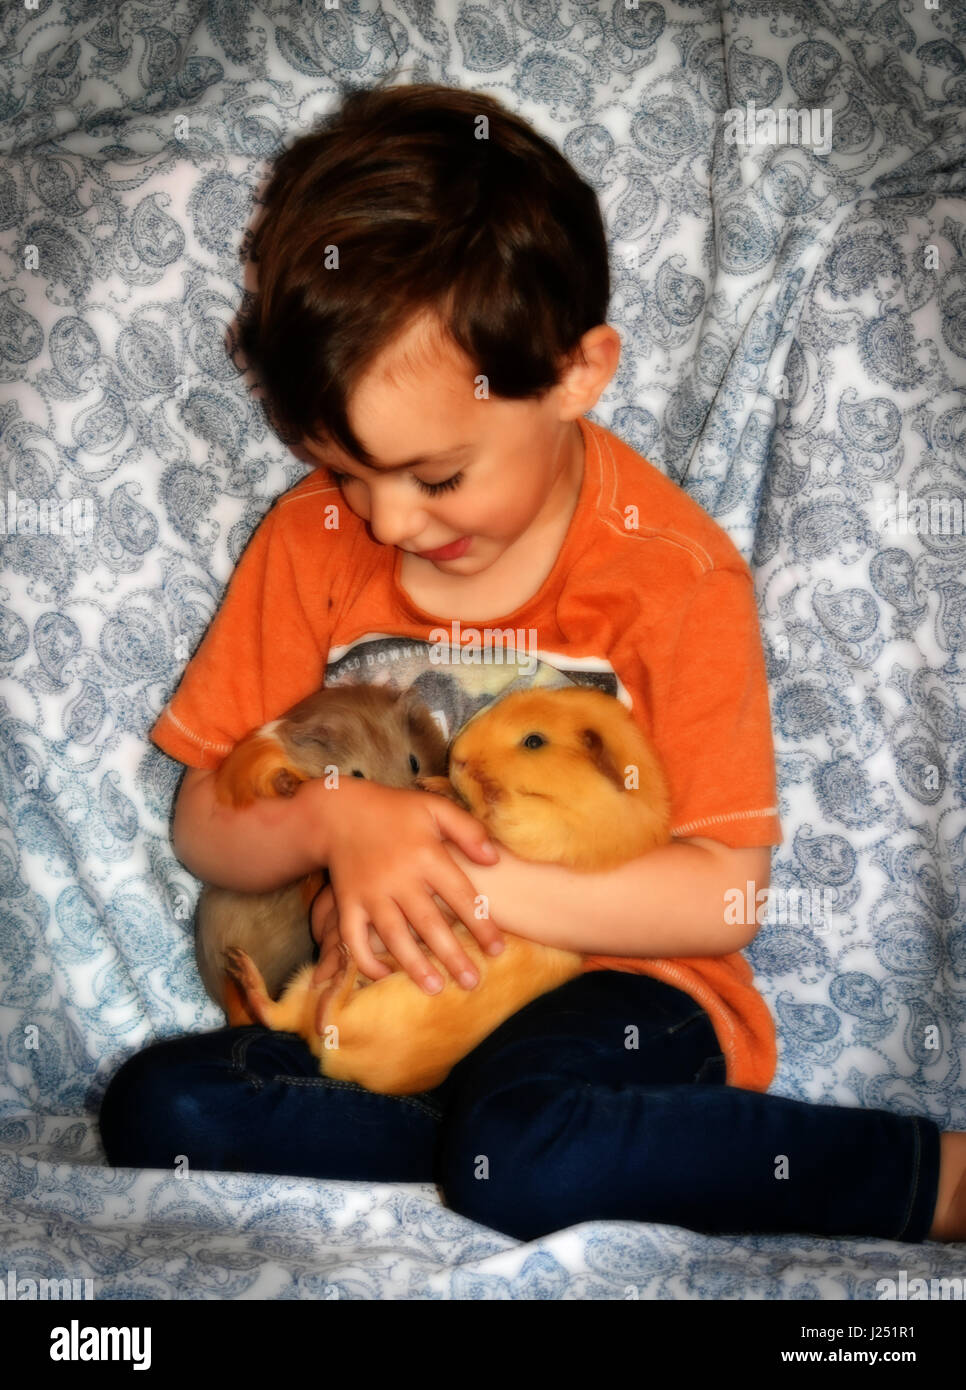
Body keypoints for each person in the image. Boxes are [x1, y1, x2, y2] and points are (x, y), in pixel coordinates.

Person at [98, 80, 966, 1244]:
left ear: (573, 376)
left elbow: (725, 891)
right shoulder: (310, 540)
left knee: (526, 1129)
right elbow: (207, 820)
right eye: (348, 471)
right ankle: (497, 1161)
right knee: (162, 1106)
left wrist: (484, 891)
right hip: (392, 1016)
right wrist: (338, 820)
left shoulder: (671, 572)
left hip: (619, 1004)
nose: (389, 522)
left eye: (434, 476)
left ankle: (929, 1180)